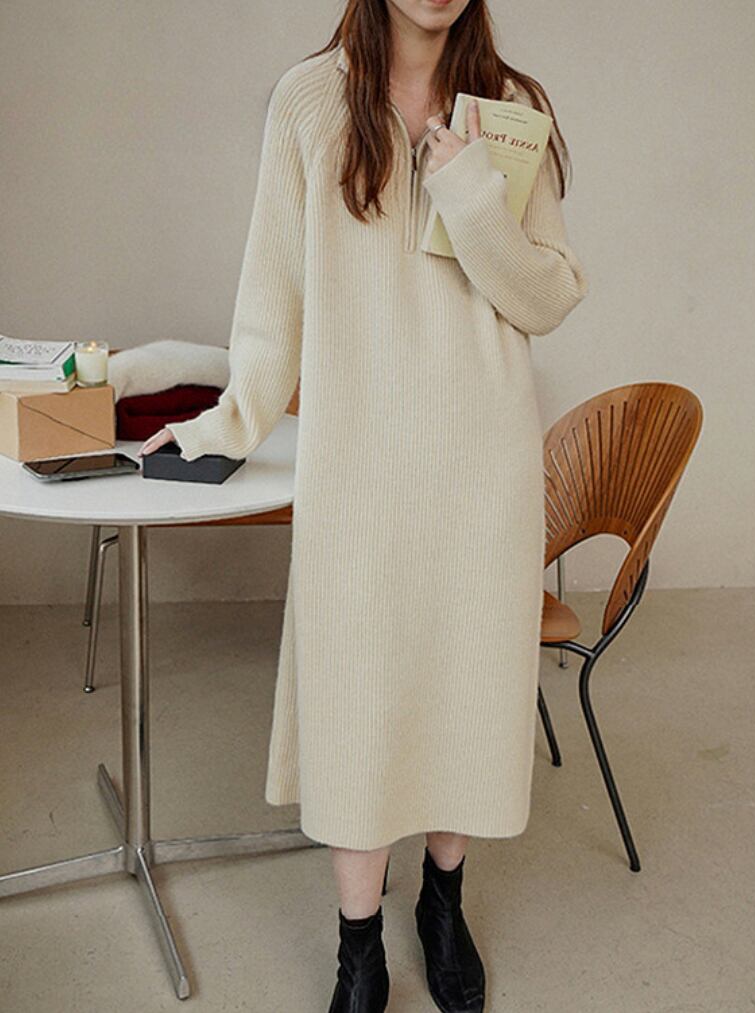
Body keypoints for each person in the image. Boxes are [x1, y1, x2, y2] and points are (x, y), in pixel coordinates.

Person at [139, 1, 588, 1009]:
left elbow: (548, 297)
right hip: (361, 469)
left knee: (468, 688)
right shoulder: (310, 104)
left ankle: (443, 900)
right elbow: (273, 301)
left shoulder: (511, 109)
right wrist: (226, 422)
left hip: (482, 468)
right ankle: (357, 942)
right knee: (357, 701)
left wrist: (469, 189)